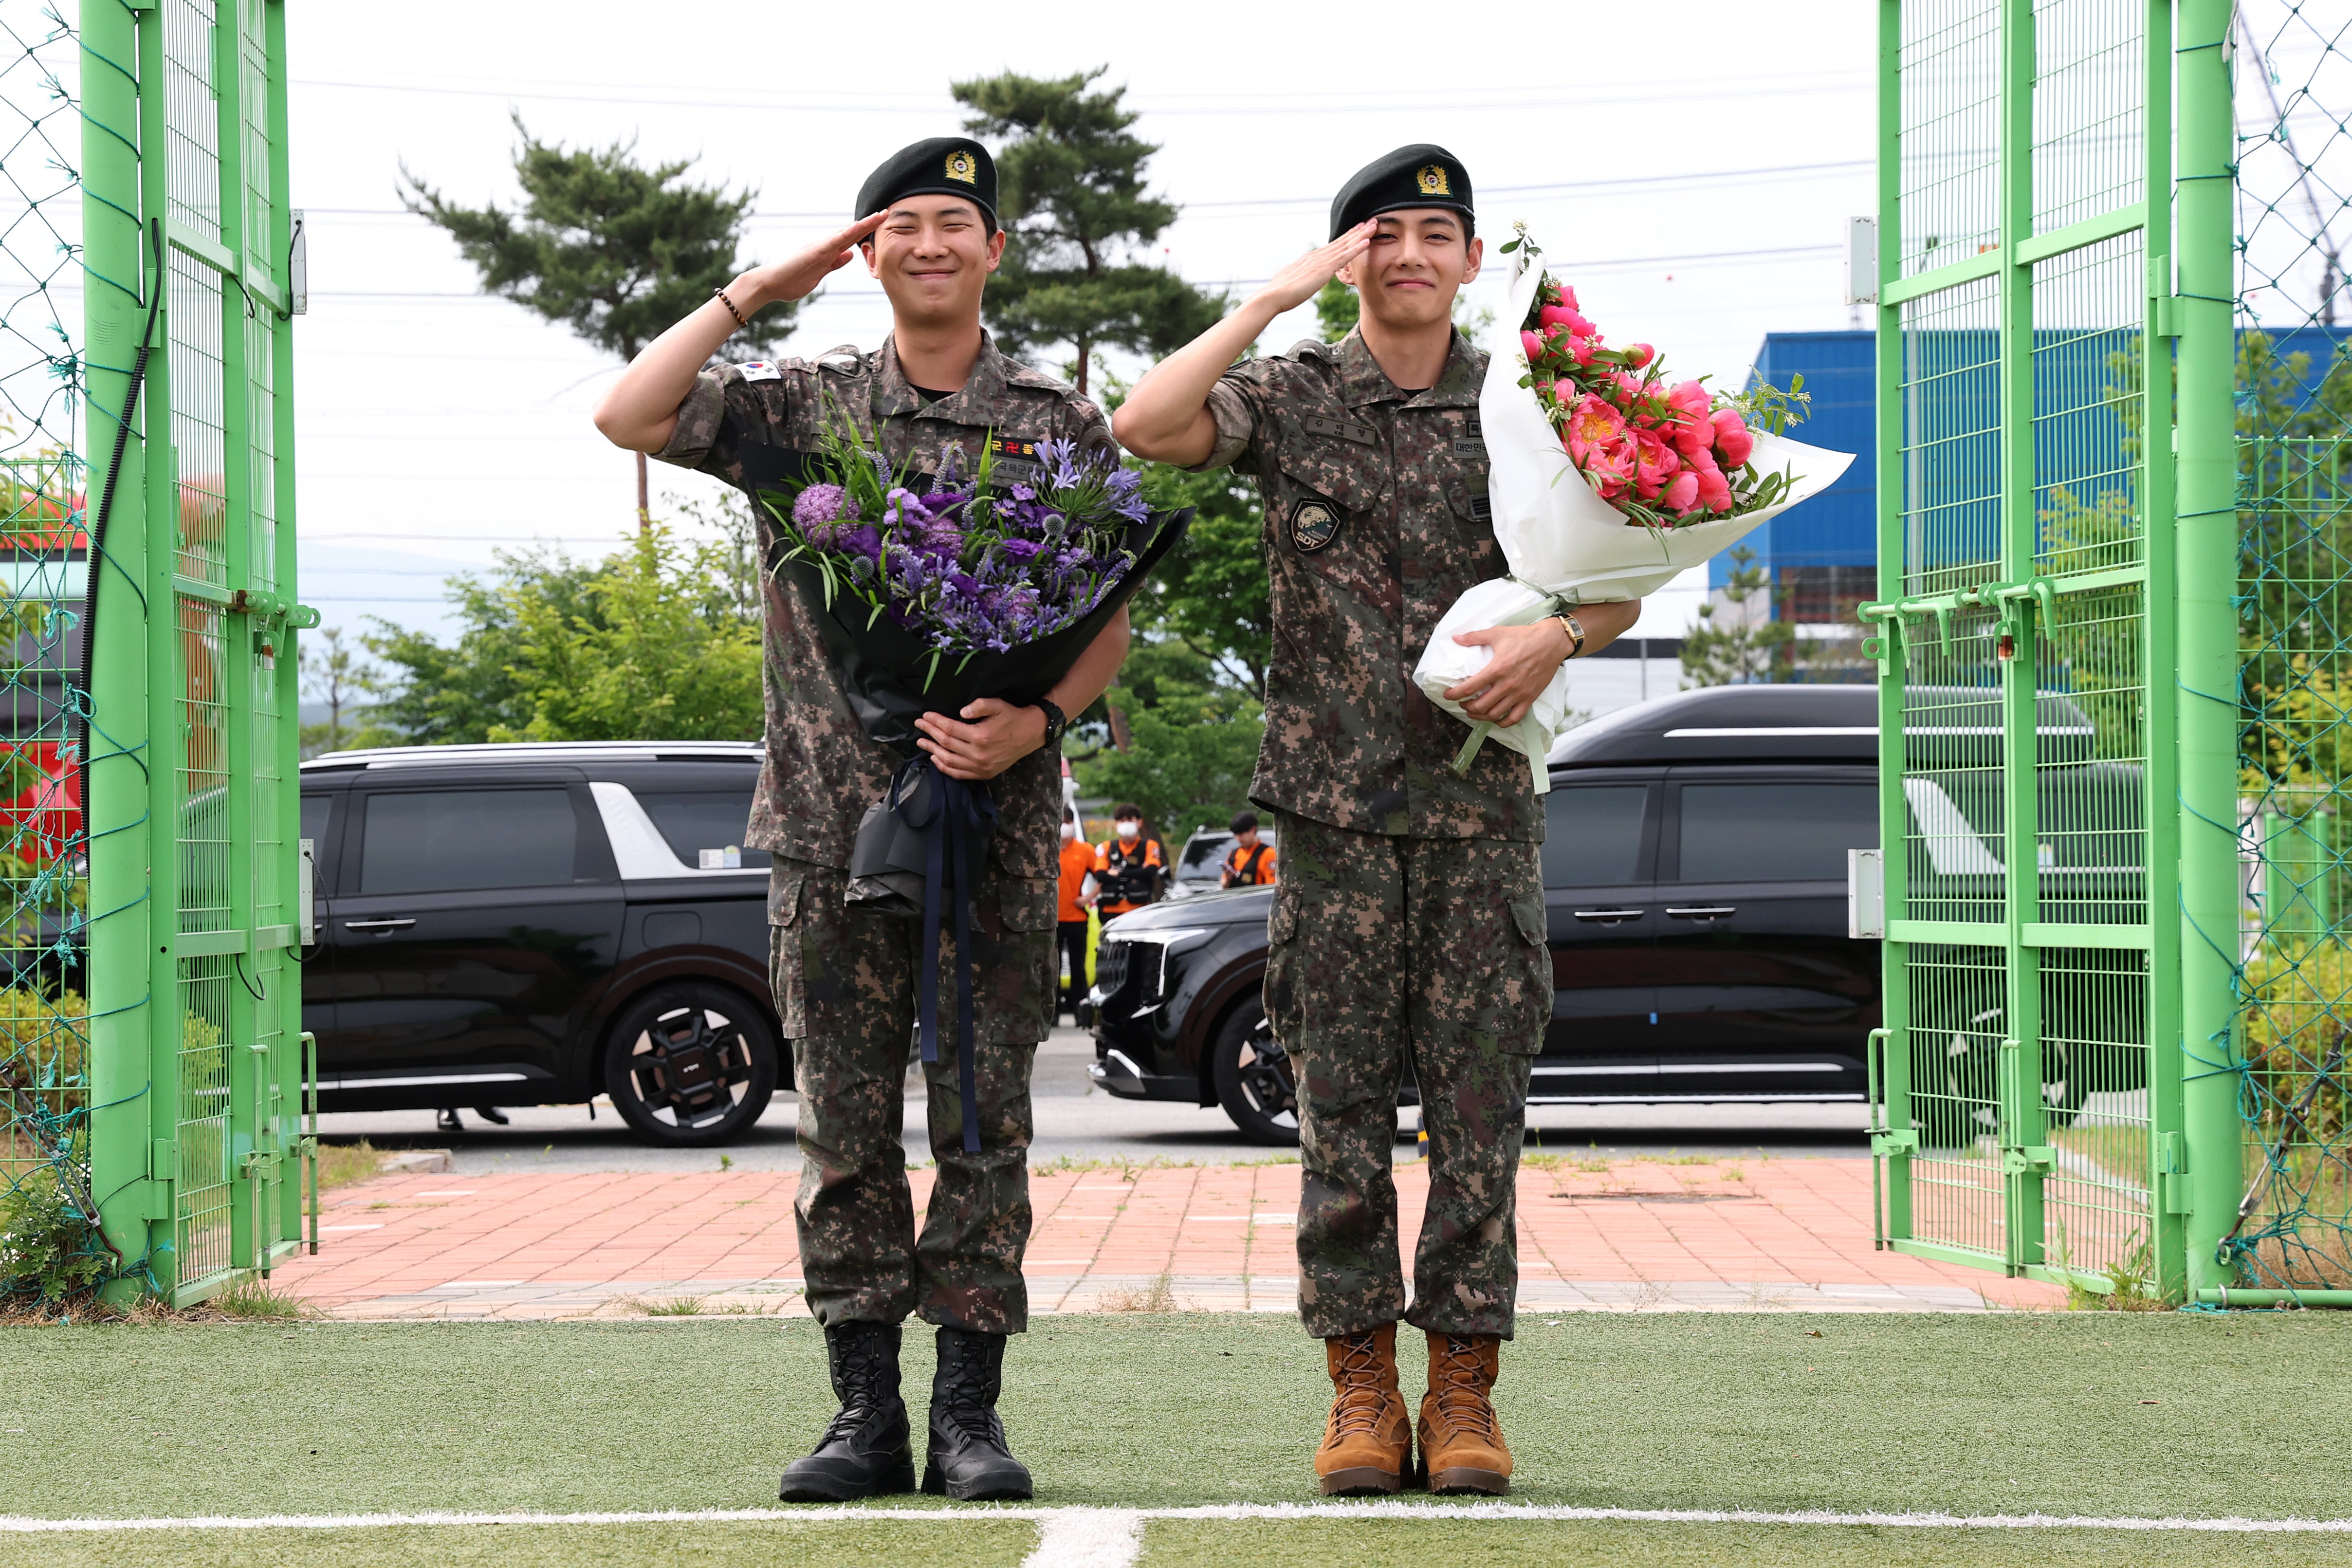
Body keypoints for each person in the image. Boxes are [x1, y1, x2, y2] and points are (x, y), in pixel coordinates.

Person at [594, 135, 1131, 1505]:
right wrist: (754, 291)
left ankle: (968, 1418)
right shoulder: (802, 404)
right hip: (832, 831)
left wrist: (1039, 720)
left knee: (983, 1127)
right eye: (901, 224)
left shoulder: (1056, 419)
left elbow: (1106, 614)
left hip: (993, 828)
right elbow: (630, 415)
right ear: (867, 251)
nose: (930, 244)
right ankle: (864, 1414)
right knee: (843, 1128)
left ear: (995, 248)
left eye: (955, 221)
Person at [1113, 144, 1640, 1498]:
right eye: (1379, 236)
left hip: (1480, 807)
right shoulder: (1292, 395)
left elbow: (1624, 574)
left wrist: (1561, 637)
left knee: (1480, 1113)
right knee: (1336, 1110)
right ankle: (1359, 1387)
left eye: (1433, 235)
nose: (1408, 256)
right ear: (1347, 257)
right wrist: (1271, 297)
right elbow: (1146, 424)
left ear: (1470, 259)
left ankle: (1463, 1392)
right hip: (1335, 820)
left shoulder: (1529, 401)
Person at [1055, 809, 1096, 1024]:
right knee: (1052, 968)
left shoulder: (1085, 850)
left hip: (1077, 918)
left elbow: (1102, 876)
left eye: (1067, 822)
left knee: (1077, 967)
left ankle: (1081, 1013)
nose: (1064, 826)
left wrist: (1088, 897)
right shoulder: (1048, 848)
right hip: (1052, 919)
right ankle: (1052, 1014)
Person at [1091, 803, 1165, 917]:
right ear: (1116, 824)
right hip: (1111, 910)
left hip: (1140, 909)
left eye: (1130, 820)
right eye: (1122, 821)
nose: (1126, 824)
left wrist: (1119, 873)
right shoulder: (1106, 847)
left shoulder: (1150, 845)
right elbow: (1101, 875)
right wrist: (1137, 874)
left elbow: (1150, 871)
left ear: (1139, 823)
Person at [1219, 811, 1279, 889]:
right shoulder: (1234, 854)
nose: (1238, 838)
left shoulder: (1268, 853)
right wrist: (1228, 879)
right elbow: (1224, 886)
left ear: (1253, 830)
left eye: (1241, 834)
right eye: (1236, 835)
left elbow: (1272, 887)